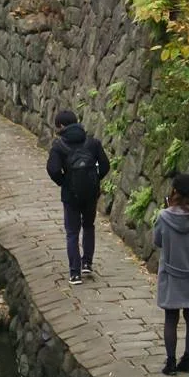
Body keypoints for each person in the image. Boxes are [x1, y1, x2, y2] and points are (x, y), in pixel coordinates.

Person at [46, 109, 110, 285]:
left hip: (70, 195)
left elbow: (52, 169)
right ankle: (87, 263)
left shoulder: (59, 146)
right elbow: (105, 165)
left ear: (62, 126)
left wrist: (64, 182)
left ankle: (74, 273)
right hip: (90, 194)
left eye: (57, 126)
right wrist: (95, 180)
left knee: (72, 232)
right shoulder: (92, 142)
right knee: (88, 226)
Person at [154, 173, 189, 375]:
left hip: (170, 272)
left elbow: (157, 241)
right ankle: (187, 359)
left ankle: (170, 361)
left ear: (174, 191)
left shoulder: (163, 217)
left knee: (171, 317)